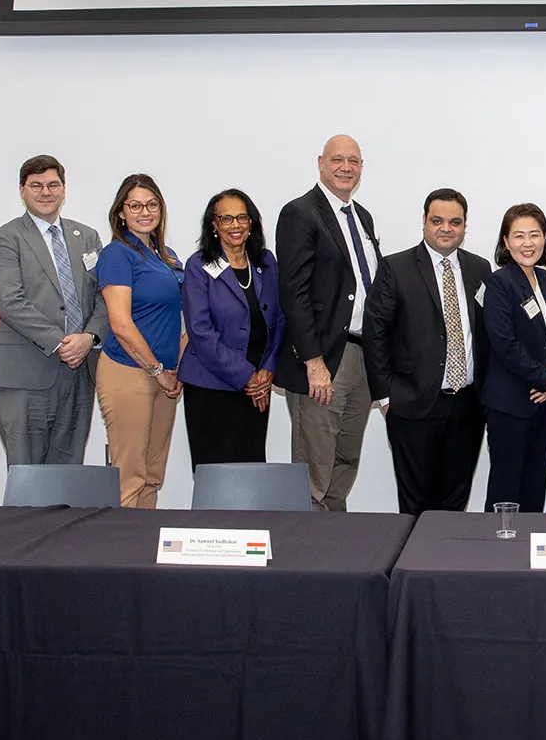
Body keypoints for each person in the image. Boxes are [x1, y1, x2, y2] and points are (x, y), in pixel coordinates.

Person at [365, 189, 492, 515]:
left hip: (468, 405)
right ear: (424, 222)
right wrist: (386, 396)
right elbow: (375, 333)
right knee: (415, 503)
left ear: (465, 226)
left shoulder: (480, 268)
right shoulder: (396, 267)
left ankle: (445, 564)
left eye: (455, 222)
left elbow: (489, 332)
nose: (446, 228)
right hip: (412, 403)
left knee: (455, 500)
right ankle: (411, 566)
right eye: (437, 221)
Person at [277, 134, 380, 511]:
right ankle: (310, 555)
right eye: (338, 160)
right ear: (321, 162)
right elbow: (294, 292)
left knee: (345, 459)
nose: (346, 167)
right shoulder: (300, 213)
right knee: (314, 468)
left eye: (353, 161)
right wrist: (313, 361)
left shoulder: (362, 217)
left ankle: (337, 545)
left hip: (362, 355)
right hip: (324, 360)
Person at [0, 154, 108, 469]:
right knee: (28, 474)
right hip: (24, 374)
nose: (45, 192)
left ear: (64, 190)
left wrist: (89, 337)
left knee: (69, 470)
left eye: (53, 184)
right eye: (36, 185)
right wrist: (62, 341)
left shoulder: (88, 237)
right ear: (22, 191)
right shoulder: (5, 238)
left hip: (79, 373)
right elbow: (9, 300)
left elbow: (103, 296)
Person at [95, 175, 185, 507]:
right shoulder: (117, 255)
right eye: (135, 205)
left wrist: (176, 369)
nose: (144, 212)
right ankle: (121, 555)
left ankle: (144, 551)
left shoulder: (168, 255)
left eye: (151, 204)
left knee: (152, 475)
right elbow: (120, 324)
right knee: (129, 476)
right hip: (129, 372)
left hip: (167, 377)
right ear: (121, 212)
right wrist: (157, 369)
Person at [178, 190, 284, 468]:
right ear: (213, 225)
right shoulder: (198, 266)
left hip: (257, 391)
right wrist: (247, 376)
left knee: (251, 472)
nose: (235, 225)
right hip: (212, 388)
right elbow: (200, 331)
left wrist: (267, 372)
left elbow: (280, 320)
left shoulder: (266, 263)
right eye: (226, 218)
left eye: (241, 217)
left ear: (252, 222)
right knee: (216, 476)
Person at [481, 204, 546, 513]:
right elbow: (505, 344)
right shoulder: (499, 283)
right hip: (510, 405)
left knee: (534, 489)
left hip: (544, 405)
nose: (527, 243)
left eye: (534, 234)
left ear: (545, 238)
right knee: (506, 490)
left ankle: (529, 557)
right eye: (518, 236)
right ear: (505, 241)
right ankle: (498, 555)